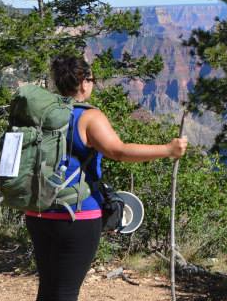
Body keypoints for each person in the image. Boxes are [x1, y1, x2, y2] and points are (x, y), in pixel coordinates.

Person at [24, 55, 188, 301]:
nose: (92, 84)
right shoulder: (89, 117)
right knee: (66, 292)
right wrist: (167, 149)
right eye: (91, 79)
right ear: (83, 82)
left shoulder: (42, 114)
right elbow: (118, 151)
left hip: (38, 212)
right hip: (76, 216)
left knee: (48, 289)